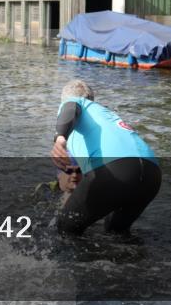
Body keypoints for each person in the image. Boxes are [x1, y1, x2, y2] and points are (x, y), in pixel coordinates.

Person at [50, 80, 161, 236]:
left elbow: (70, 107)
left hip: (118, 167)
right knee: (116, 231)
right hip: (152, 173)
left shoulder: (73, 103)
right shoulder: (107, 114)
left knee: (65, 228)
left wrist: (60, 138)